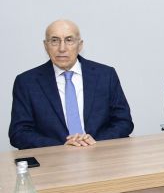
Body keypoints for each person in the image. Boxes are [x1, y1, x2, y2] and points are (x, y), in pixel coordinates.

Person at [9, 19, 133, 149]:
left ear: (80, 45)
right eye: (55, 40)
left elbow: (124, 122)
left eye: (69, 40)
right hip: (53, 157)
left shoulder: (105, 75)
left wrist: (94, 142)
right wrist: (61, 147)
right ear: (46, 46)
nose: (62, 48)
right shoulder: (27, 82)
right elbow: (19, 133)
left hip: (100, 153)